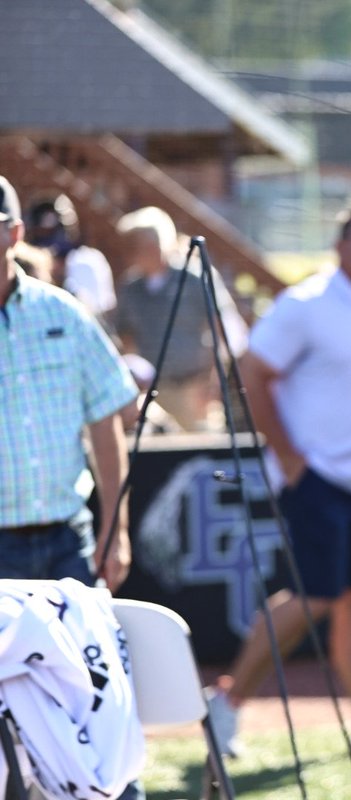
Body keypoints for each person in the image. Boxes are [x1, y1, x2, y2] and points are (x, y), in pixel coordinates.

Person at [204, 203, 351, 757]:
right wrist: (290, 461)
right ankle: (227, 703)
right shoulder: (305, 305)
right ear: (339, 246)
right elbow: (253, 373)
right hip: (319, 480)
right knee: (315, 597)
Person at [0, 176, 143, 800]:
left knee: (95, 697)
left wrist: (118, 528)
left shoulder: (64, 312)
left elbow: (109, 419)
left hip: (66, 540)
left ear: (13, 234)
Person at [113, 206, 248, 432]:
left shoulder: (194, 279)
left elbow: (224, 333)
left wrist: (213, 386)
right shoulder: (131, 288)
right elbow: (126, 338)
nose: (129, 253)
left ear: (153, 245)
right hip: (151, 394)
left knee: (201, 453)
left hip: (193, 389)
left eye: (134, 245)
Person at [25, 193, 118, 321]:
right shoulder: (27, 264)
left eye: (51, 231)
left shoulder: (86, 261)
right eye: (41, 231)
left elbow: (96, 315)